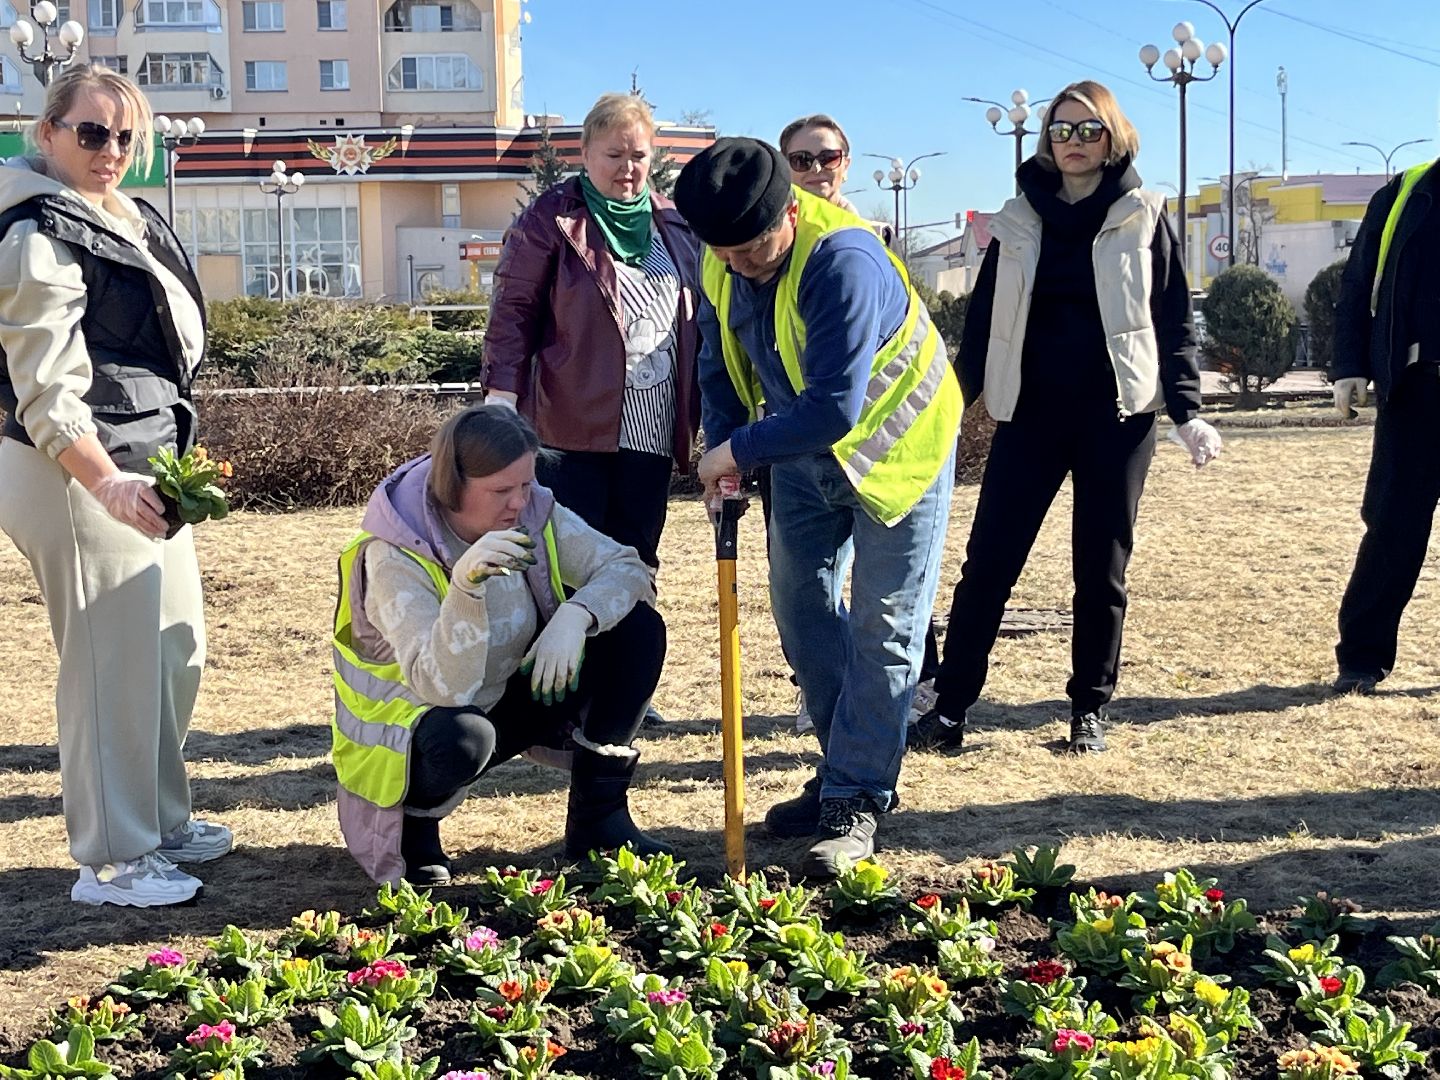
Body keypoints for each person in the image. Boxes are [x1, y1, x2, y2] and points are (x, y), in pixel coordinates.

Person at [674, 137, 962, 875]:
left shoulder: (843, 260)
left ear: (788, 210)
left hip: (900, 449)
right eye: (725, 251)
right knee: (802, 611)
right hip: (799, 456)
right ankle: (843, 771)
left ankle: (857, 798)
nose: (738, 263)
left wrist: (737, 453)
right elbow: (720, 363)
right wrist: (725, 444)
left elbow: (834, 407)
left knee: (884, 624)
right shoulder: (721, 257)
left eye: (750, 246)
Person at [910, 81, 1220, 757]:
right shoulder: (1019, 219)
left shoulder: (1143, 213)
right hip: (1030, 417)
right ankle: (951, 708)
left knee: (1100, 569)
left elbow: (1174, 321)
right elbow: (984, 322)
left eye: (1088, 131)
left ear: (1114, 136)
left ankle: (1089, 707)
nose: (1073, 143)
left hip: (1118, 419)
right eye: (1061, 130)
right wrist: (945, 412)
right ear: (1047, 140)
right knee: (988, 564)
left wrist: (1187, 410)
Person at [0, 64, 228, 907]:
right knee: (108, 664)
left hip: (143, 462)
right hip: (73, 470)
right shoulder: (35, 230)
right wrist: (104, 485)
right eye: (91, 132)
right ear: (49, 131)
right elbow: (49, 390)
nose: (111, 150)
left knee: (169, 649)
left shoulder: (118, 215)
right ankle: (111, 860)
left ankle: (160, 821)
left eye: (127, 136)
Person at [331, 405, 669, 886]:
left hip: (503, 695)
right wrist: (466, 589)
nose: (518, 504)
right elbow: (444, 688)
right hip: (412, 735)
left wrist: (576, 616)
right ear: (453, 486)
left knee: (637, 631)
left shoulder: (533, 512)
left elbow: (628, 568)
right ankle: (415, 828)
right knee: (464, 737)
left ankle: (598, 820)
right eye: (501, 490)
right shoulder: (392, 554)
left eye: (526, 485)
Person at [483, 92, 700, 578]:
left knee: (635, 565)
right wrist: (501, 394)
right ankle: (568, 652)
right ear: (586, 154)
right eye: (614, 155)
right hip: (571, 433)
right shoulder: (552, 217)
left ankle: (631, 654)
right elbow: (514, 308)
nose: (628, 168)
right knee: (568, 568)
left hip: (652, 434)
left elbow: (702, 318)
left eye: (638, 156)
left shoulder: (675, 223)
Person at [774, 115, 932, 735]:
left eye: (826, 157)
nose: (815, 170)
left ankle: (871, 732)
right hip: (801, 444)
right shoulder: (773, 240)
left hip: (878, 445)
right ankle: (834, 712)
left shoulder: (864, 242)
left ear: (847, 160)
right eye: (800, 160)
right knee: (807, 592)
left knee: (884, 604)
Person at [1330, 155, 1440, 695]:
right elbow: (1357, 285)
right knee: (1393, 527)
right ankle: (1362, 658)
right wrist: (1350, 364)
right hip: (1416, 390)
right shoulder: (1407, 190)